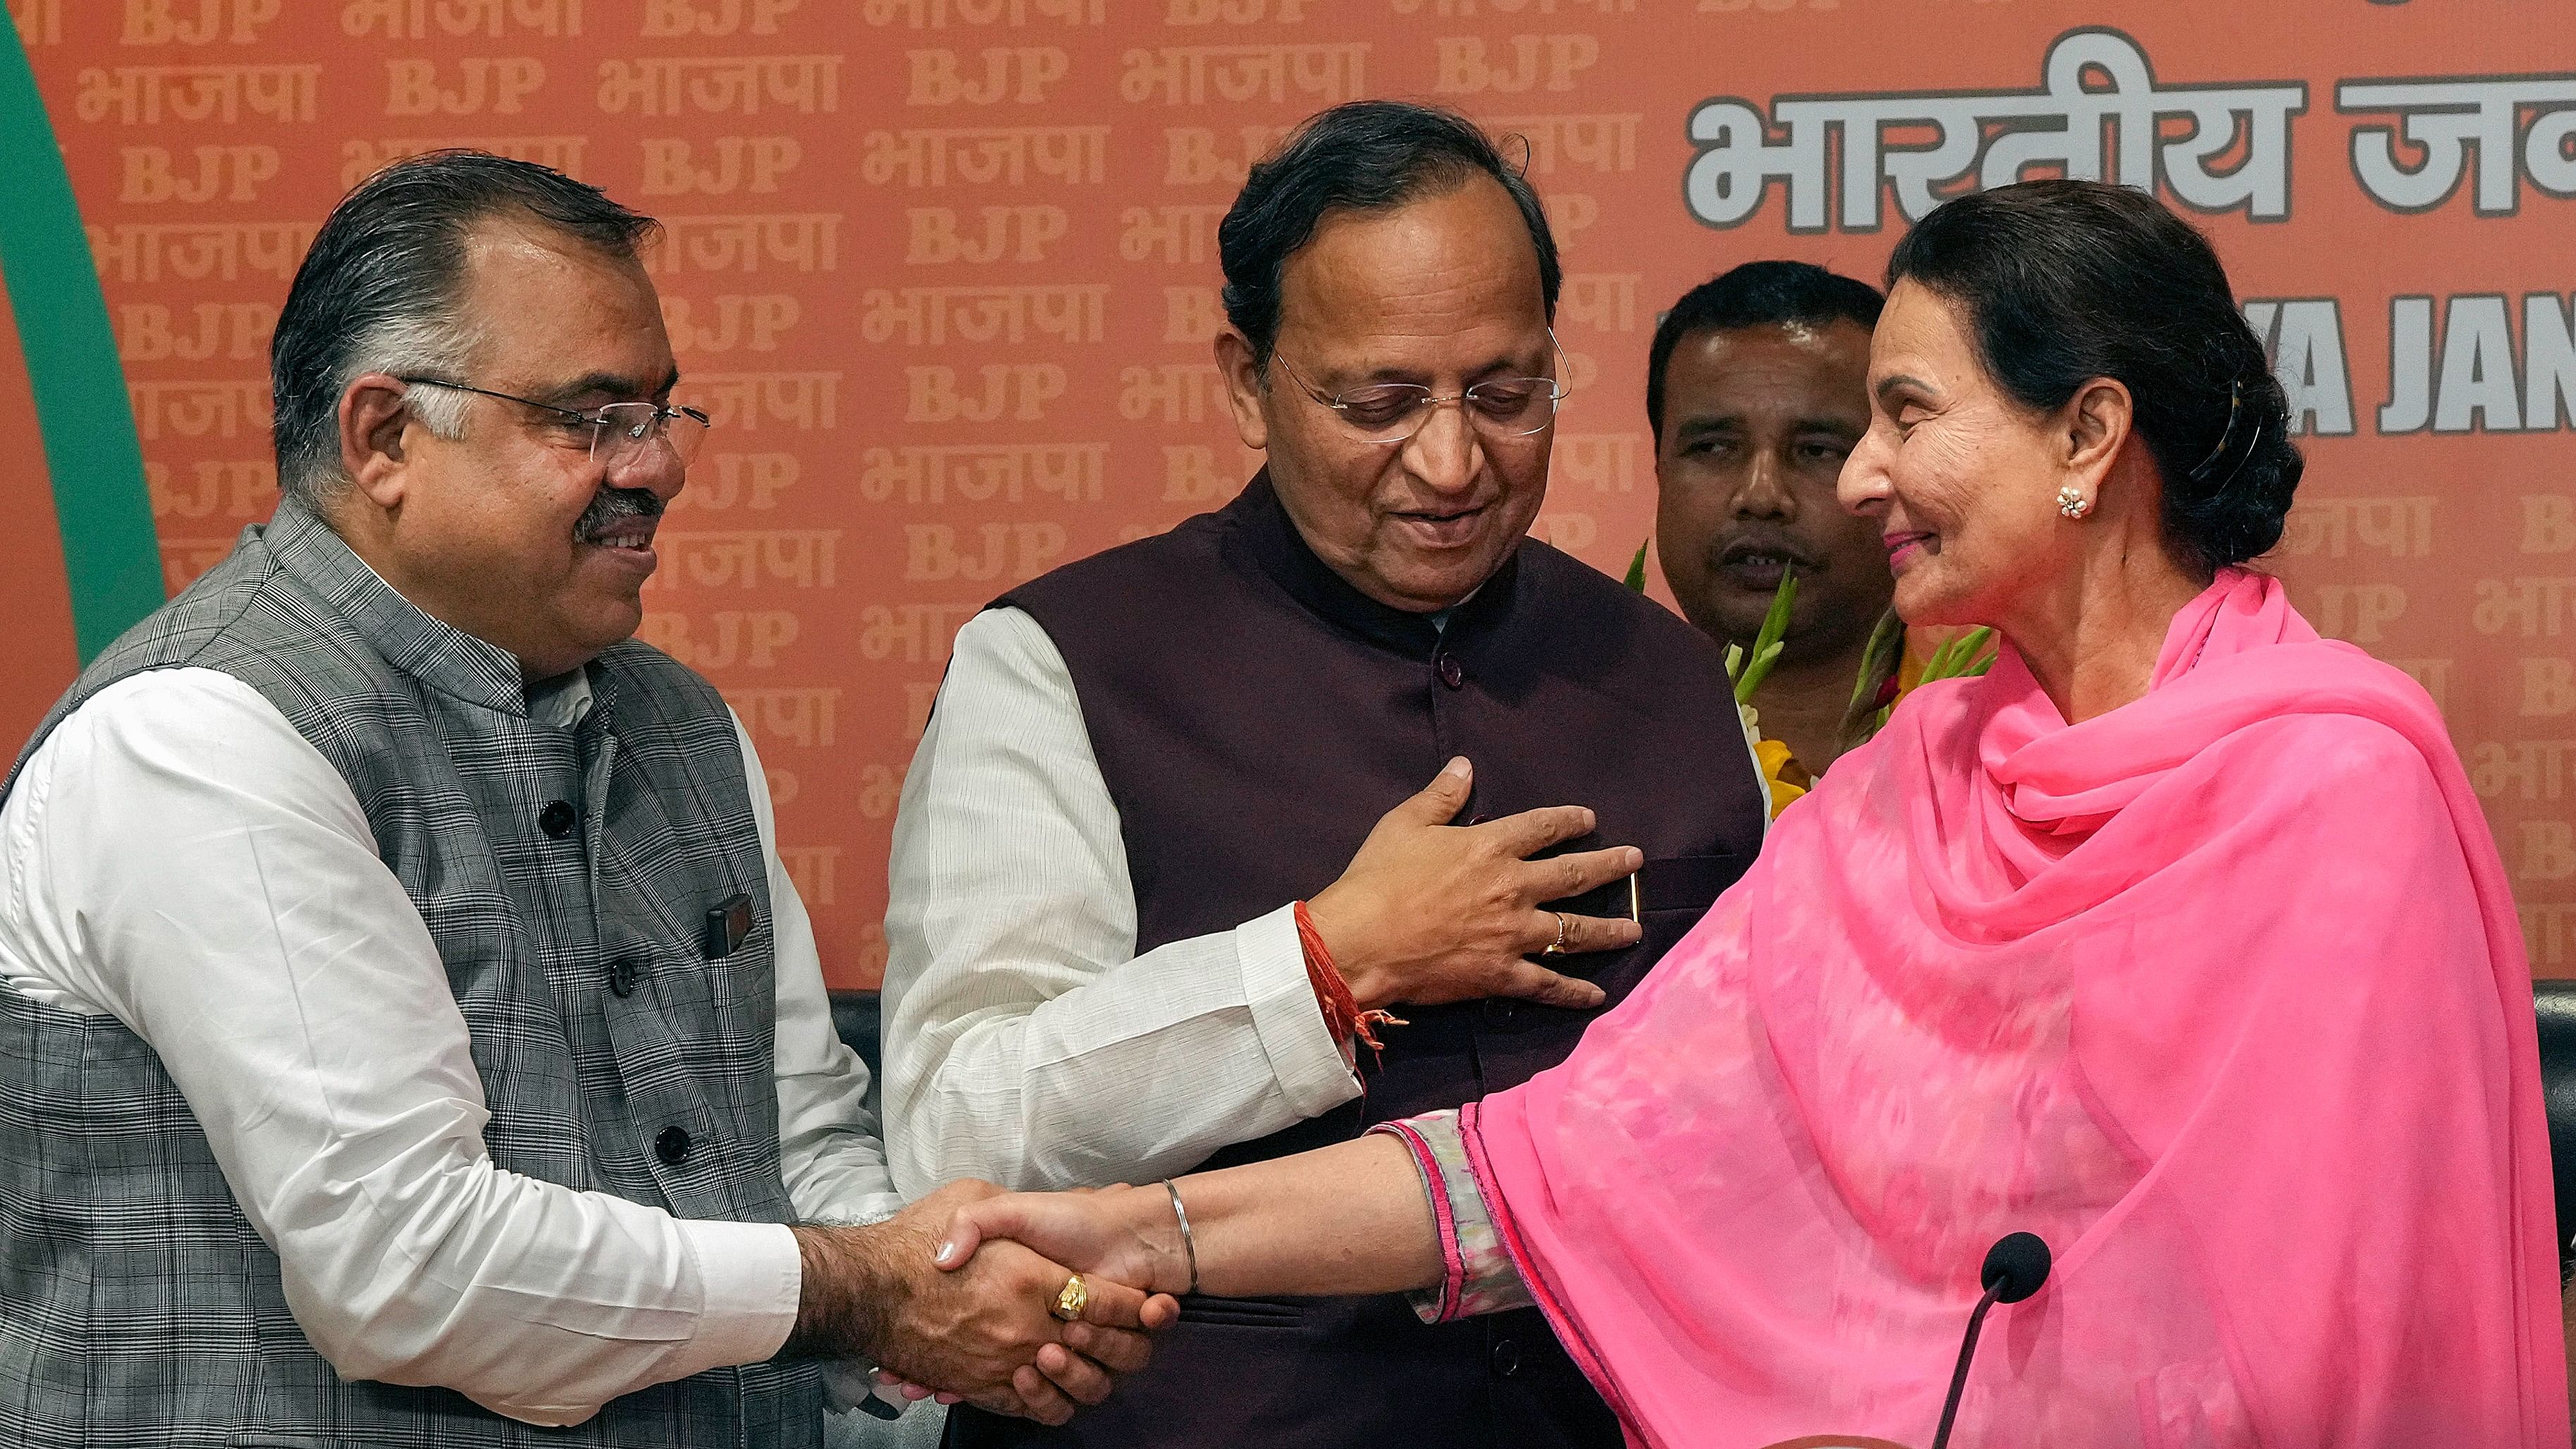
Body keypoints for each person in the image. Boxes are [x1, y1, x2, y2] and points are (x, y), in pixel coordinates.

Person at [924, 180, 2571, 1448]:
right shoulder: (1913, 787)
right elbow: (1554, 1167)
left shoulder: (2332, 788)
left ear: (2086, 435)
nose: (1854, 481)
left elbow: (2331, 1333)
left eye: (1905, 415)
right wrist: (1148, 1226)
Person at [0, 152, 1171, 1447]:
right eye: (592, 418)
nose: (660, 466)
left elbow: (789, 1140)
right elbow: (409, 1268)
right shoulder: (202, 739)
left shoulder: (683, 726)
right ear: (385, 437)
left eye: (664, 412)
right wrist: (868, 1292)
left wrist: (954, 1290)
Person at [878, 101, 1768, 1448]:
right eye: (1381, 402)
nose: (1454, 460)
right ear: (1248, 381)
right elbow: (962, 1130)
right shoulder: (1066, 660)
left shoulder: (1667, 676)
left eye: (1506, 392)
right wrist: (1323, 964)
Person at [1649, 261, 1894, 781]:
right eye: (1713, 447)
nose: (1760, 495)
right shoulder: (1572, 757)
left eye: (1817, 450)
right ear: (1659, 471)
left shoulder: (1996, 739)